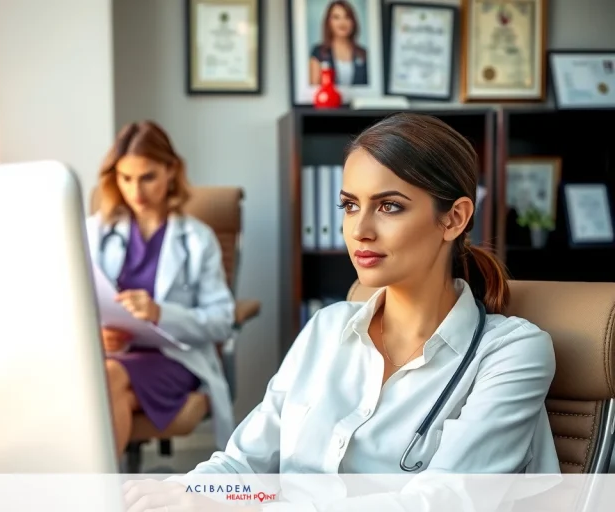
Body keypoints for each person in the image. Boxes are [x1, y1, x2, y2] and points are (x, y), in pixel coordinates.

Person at [121, 113, 559, 510]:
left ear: (454, 219)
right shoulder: (325, 329)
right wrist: (187, 493)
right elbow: (244, 466)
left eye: (389, 206)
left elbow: (444, 500)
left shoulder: (511, 352)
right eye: (350, 205)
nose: (360, 230)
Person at [89, 121, 236, 457]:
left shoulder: (197, 239)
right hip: (112, 354)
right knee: (113, 390)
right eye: (126, 179)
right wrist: (97, 333)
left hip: (175, 358)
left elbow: (221, 321)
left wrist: (160, 313)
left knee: (106, 378)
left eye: (147, 177)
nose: (136, 191)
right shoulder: (95, 233)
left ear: (171, 170)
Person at [309, 0, 368, 86]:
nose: (342, 22)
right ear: (329, 22)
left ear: (353, 22)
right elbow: (314, 89)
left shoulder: (363, 54)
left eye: (347, 17)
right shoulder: (318, 52)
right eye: (336, 17)